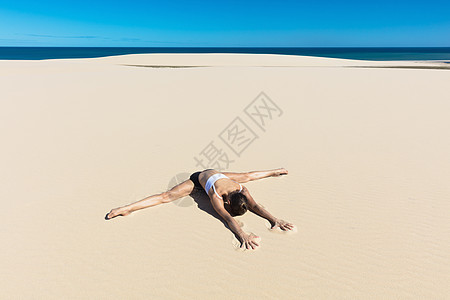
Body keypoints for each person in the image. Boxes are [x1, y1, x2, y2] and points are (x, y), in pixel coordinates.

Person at [106, 168, 294, 250]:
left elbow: (254, 205)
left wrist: (274, 219)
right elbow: (227, 219)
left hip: (220, 174)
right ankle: (127, 208)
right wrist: (241, 234)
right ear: (227, 202)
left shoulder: (241, 189)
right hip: (198, 179)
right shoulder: (216, 195)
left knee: (248, 175)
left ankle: (275, 171)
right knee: (166, 197)